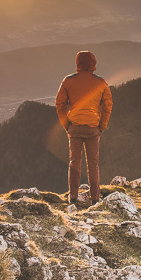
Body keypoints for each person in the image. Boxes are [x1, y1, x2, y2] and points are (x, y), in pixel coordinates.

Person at [55, 50, 112, 207]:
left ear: (78, 63)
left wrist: (67, 125)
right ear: (93, 63)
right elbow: (107, 106)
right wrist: (102, 126)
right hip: (93, 129)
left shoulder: (68, 81)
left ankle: (73, 197)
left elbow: (60, 104)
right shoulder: (101, 83)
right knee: (93, 164)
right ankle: (95, 199)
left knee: (74, 162)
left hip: (74, 127)